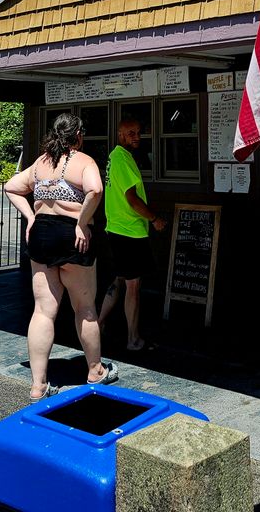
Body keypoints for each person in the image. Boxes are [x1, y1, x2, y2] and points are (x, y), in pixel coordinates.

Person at [4, 112, 118, 401]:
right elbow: (95, 190)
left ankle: (38, 385)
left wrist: (32, 217)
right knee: (85, 308)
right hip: (72, 236)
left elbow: (11, 187)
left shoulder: (41, 163)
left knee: (43, 310)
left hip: (41, 235)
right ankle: (96, 370)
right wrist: (81, 223)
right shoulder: (84, 161)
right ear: (78, 135)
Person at [98, 118, 166, 352]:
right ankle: (133, 339)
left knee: (119, 279)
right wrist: (154, 219)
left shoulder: (116, 157)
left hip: (116, 228)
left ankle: (99, 324)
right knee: (133, 286)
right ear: (120, 134)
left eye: (138, 132)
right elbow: (132, 199)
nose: (136, 137)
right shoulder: (121, 159)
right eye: (131, 133)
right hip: (129, 231)